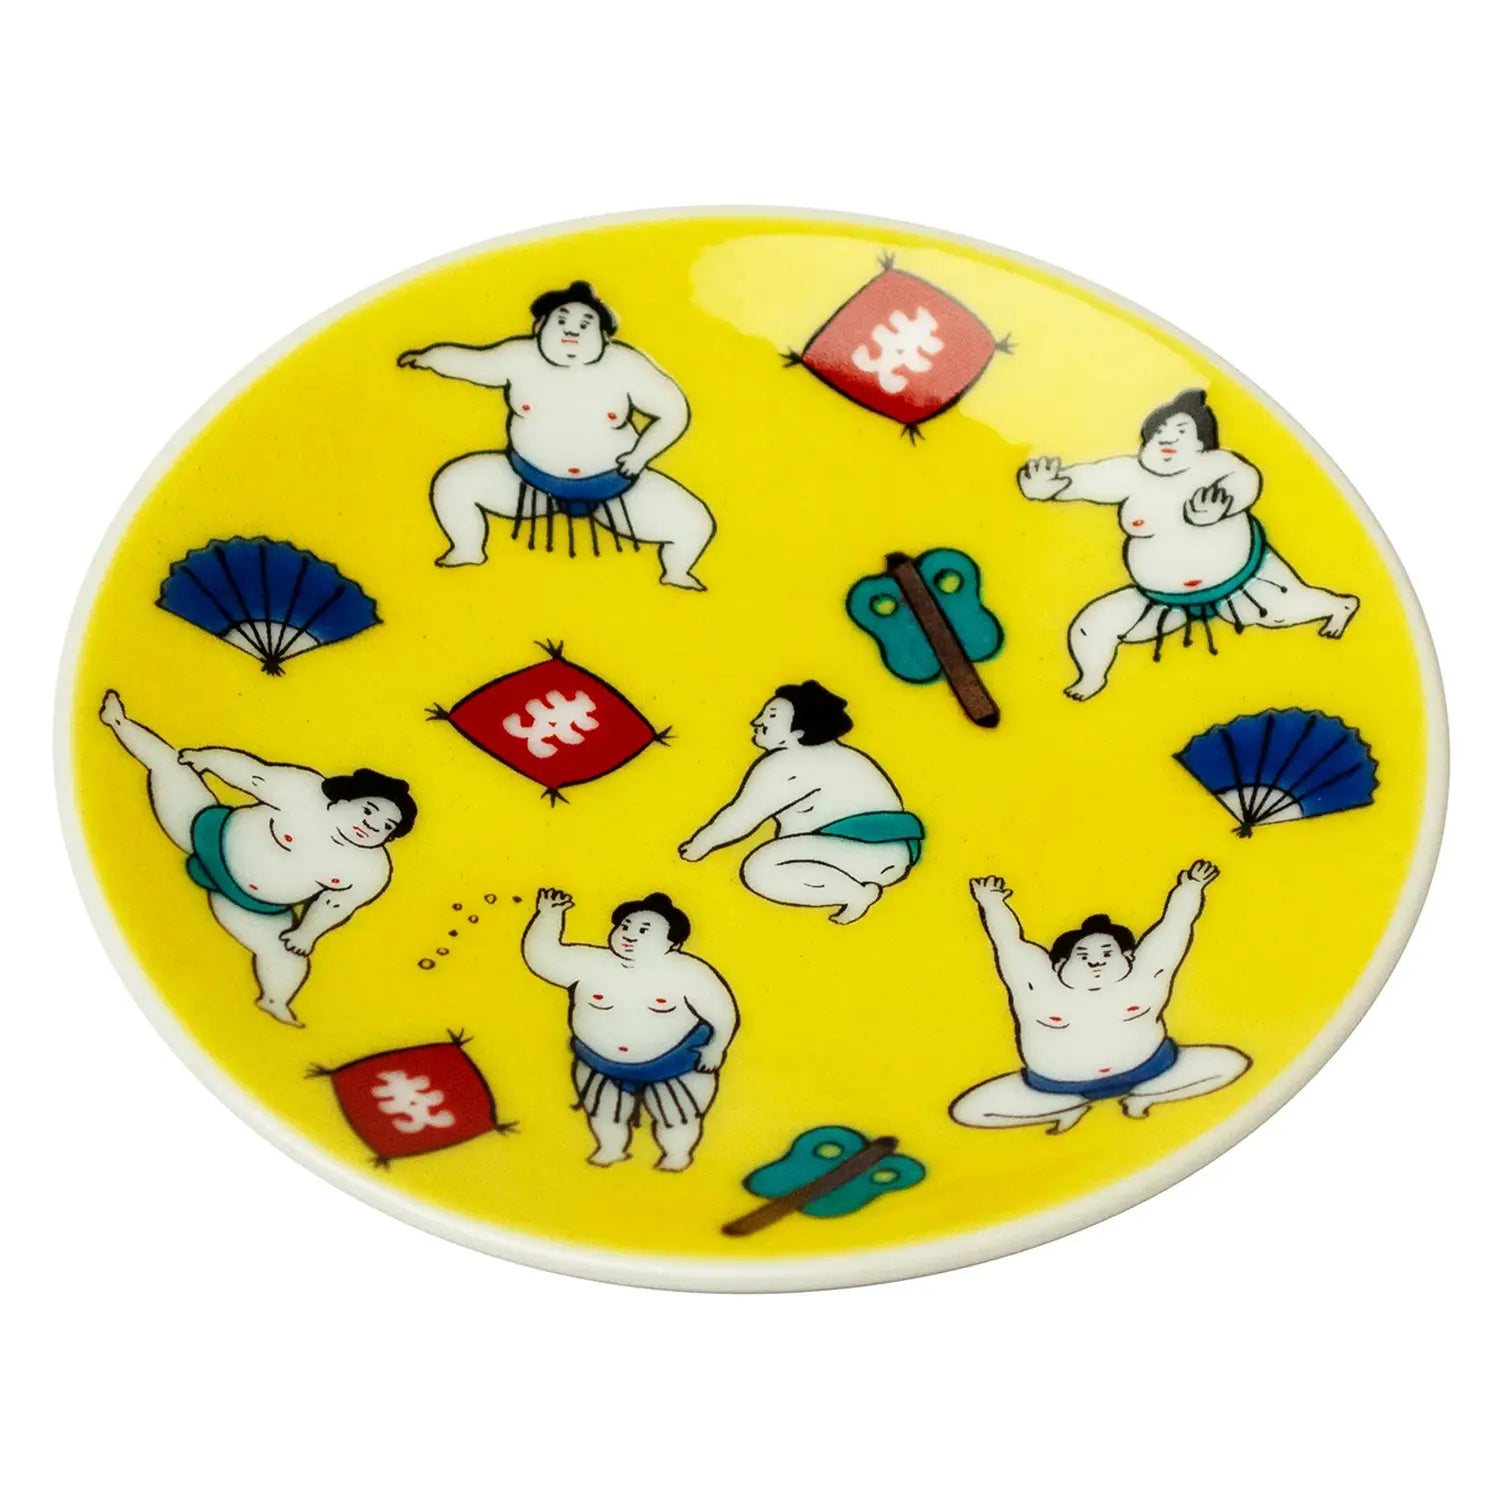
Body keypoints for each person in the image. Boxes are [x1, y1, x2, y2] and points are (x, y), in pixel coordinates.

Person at [99, 690, 414, 1027]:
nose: (371, 825)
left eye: (386, 827)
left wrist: (307, 934)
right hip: (204, 832)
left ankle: (275, 1002)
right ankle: (118, 722)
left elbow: (336, 905)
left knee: (283, 953)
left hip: (252, 906)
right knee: (169, 766)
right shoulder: (305, 791)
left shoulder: (370, 869)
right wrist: (209, 759)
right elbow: (252, 775)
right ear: (345, 798)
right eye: (368, 810)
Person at [1017, 389, 1360, 698]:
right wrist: (1046, 488)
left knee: (1281, 613)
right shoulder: (1129, 474)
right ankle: (1091, 678)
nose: (1167, 439)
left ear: (1201, 443)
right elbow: (1084, 480)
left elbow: (1245, 482)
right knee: (1092, 627)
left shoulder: (1219, 465)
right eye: (1159, 433)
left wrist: (1221, 507)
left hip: (1242, 583)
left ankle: (1339, 607)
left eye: (1181, 432)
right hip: (1163, 600)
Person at [398, 281, 715, 589]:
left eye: (585, 325)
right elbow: (471, 363)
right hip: (529, 481)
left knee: (695, 525)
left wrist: (641, 455)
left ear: (604, 337)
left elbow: (674, 413)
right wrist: (429, 358)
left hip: (617, 486)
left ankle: (677, 574)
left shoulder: (625, 365)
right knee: (454, 485)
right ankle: (467, 550)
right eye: (561, 321)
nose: (571, 332)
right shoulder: (518, 357)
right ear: (539, 327)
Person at [950, 863, 1249, 1134]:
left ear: (1128, 957)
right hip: (1054, 1087)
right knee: (971, 1111)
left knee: (1231, 1064)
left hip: (1154, 1069)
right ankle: (1066, 1109)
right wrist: (992, 903)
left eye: (1107, 954)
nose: (1096, 963)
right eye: (1083, 956)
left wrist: (1191, 887)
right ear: (1059, 965)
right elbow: (1008, 943)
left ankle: (1148, 1098)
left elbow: (1174, 927)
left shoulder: (1146, 977)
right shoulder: (1037, 987)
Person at [521, 889, 739, 1171]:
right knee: (603, 1111)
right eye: (625, 926)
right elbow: (543, 958)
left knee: (677, 1115)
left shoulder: (689, 972)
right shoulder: (591, 962)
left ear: (673, 943)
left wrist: (716, 1047)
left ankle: (678, 1155)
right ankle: (610, 1149)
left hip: (675, 1063)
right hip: (599, 1062)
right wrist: (549, 915)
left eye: (644, 931)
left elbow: (721, 1012)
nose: (630, 936)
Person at [679, 681, 923, 925]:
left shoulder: (789, 762)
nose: (756, 721)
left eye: (771, 716)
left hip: (859, 849)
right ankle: (853, 890)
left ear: (800, 731)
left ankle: (856, 893)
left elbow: (743, 816)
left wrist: (699, 845)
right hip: (891, 854)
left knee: (761, 869)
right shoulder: (844, 756)